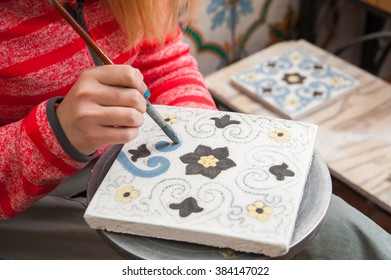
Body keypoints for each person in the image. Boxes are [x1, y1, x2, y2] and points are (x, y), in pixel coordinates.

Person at [0, 0, 390, 260]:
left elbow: (161, 60)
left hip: (131, 157)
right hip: (25, 206)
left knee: (347, 237)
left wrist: (203, 137)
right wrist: (58, 132)